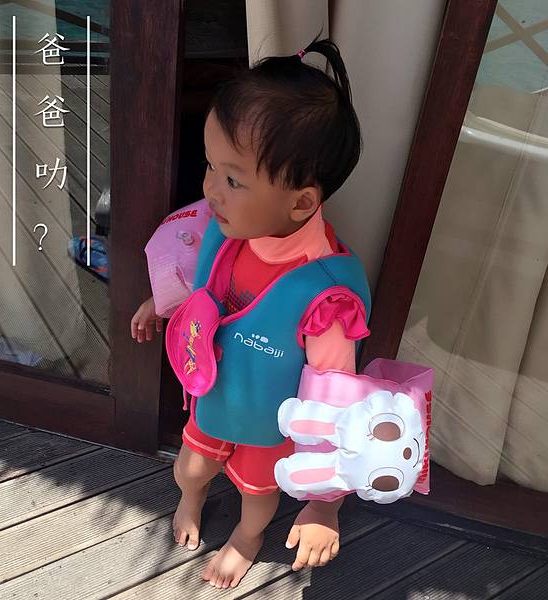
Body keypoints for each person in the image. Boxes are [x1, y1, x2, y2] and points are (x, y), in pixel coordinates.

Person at [131, 38, 371, 590]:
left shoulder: (327, 299)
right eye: (211, 166)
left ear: (301, 202)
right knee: (191, 467)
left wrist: (325, 505)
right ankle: (191, 499)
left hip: (269, 423)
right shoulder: (233, 224)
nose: (211, 189)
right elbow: (200, 281)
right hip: (214, 394)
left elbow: (336, 401)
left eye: (233, 179)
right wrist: (160, 305)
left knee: (257, 495)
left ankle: (246, 537)